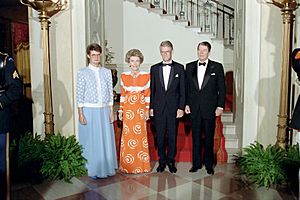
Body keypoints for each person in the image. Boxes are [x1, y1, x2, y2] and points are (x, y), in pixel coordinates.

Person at [76, 43, 117, 179]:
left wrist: (111, 112)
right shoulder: (82, 72)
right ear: (88, 56)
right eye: (93, 55)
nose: (96, 57)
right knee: (91, 140)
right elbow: (79, 93)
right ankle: (91, 169)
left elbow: (110, 94)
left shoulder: (106, 72)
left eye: (98, 54)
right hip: (89, 110)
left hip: (104, 110)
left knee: (105, 140)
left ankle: (106, 167)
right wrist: (80, 113)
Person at [185, 41, 225, 175]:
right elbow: (186, 89)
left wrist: (220, 106)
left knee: (209, 138)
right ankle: (196, 164)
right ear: (197, 51)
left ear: (209, 52)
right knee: (195, 138)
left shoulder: (217, 67)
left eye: (204, 50)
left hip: (210, 108)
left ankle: (209, 165)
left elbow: (222, 89)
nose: (201, 53)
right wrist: (186, 104)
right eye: (199, 50)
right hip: (194, 108)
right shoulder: (189, 67)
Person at [150, 41, 185, 173]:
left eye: (167, 51)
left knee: (172, 135)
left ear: (172, 51)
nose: (165, 54)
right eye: (163, 51)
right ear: (160, 52)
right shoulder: (154, 68)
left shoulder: (180, 68)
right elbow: (152, 90)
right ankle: (162, 160)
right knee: (159, 136)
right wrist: (151, 107)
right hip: (158, 108)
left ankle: (171, 161)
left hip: (173, 108)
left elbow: (183, 90)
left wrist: (181, 107)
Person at [118, 49, 151, 174]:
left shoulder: (146, 76)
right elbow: (122, 95)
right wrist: (121, 110)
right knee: (128, 136)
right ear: (129, 62)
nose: (135, 63)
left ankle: (141, 166)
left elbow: (148, 95)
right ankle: (128, 166)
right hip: (128, 110)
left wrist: (147, 110)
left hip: (140, 109)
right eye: (132, 61)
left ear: (140, 61)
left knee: (140, 136)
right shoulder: (124, 76)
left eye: (137, 60)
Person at [0, 52, 23, 199]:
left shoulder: (4, 60)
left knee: (1, 162)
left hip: (0, 120)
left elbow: (16, 89)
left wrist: (0, 102)